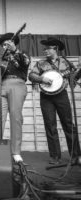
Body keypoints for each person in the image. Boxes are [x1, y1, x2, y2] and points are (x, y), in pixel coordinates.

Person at [29, 37, 81, 165]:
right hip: (46, 97)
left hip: (61, 95)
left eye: (48, 48)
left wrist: (79, 71)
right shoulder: (41, 63)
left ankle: (76, 156)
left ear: (55, 49)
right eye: (45, 48)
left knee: (68, 124)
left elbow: (74, 76)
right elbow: (31, 75)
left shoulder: (65, 62)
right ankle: (55, 157)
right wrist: (42, 79)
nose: (45, 50)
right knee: (50, 126)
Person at [0, 33, 30, 163]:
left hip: (17, 84)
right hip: (1, 86)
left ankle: (16, 152)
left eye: (7, 43)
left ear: (14, 43)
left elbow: (26, 62)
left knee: (16, 118)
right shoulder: (0, 58)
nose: (5, 46)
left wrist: (15, 51)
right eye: (3, 44)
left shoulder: (22, 54)